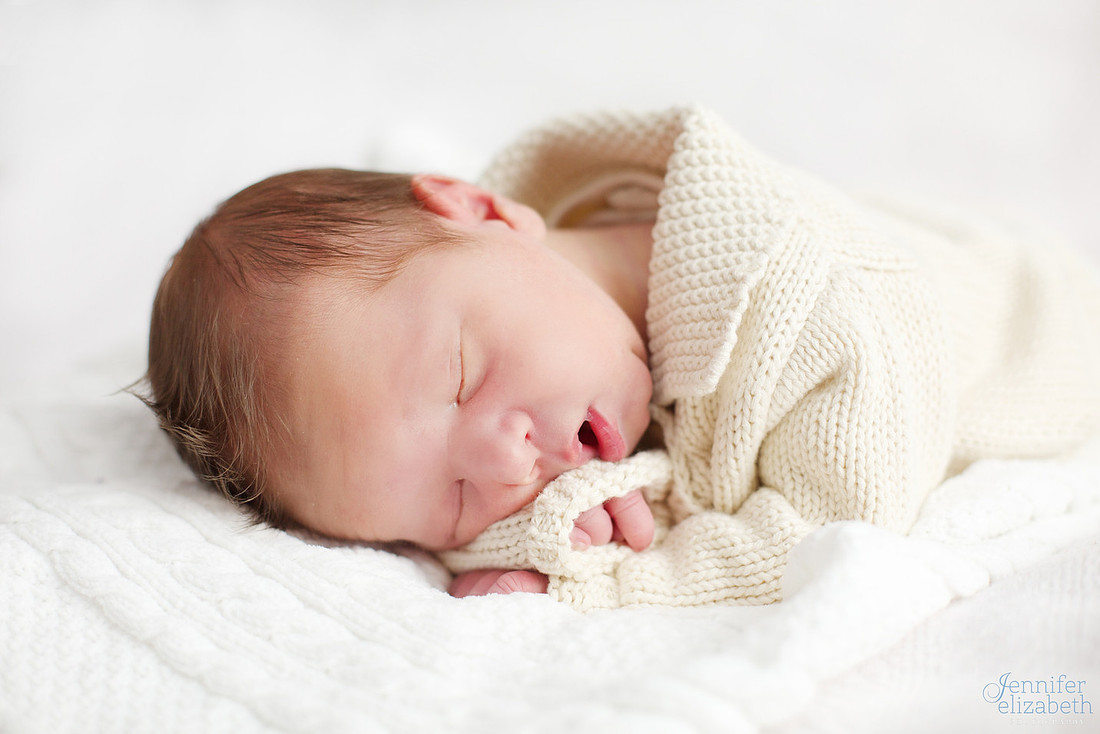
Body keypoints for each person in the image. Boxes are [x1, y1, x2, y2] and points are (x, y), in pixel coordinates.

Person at [143, 107, 1100, 609]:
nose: (510, 462)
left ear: (482, 208)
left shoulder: (820, 312)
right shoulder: (555, 324)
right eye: (454, 502)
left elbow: (819, 540)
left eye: (461, 378)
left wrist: (596, 583)